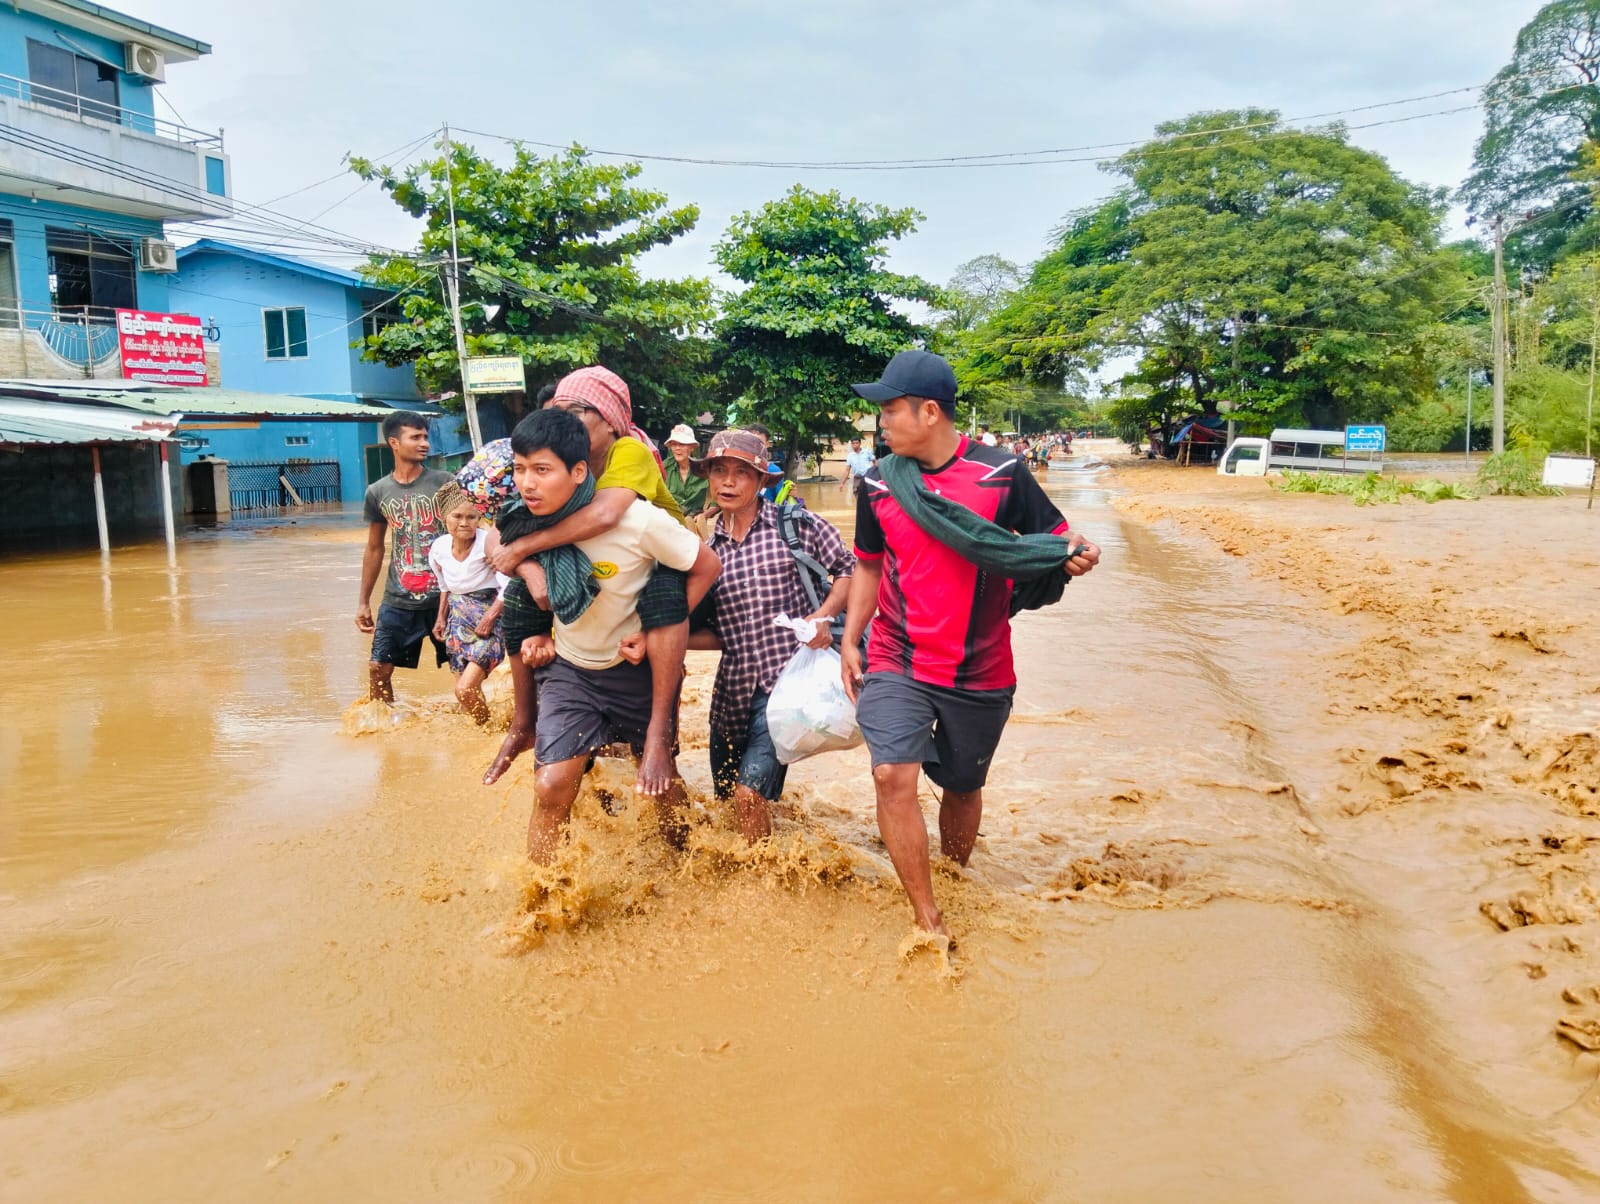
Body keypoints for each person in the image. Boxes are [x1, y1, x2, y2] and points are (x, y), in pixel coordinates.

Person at [840, 350, 1101, 937]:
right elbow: (868, 566)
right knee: (891, 776)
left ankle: (954, 880)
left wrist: (1077, 557)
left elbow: (1056, 541)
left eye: (889, 410)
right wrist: (851, 640)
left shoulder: (1001, 474)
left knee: (962, 788)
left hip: (978, 669)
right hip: (896, 656)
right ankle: (927, 917)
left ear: (929, 411)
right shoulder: (878, 481)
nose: (880, 423)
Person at [508, 408, 721, 863]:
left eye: (542, 470)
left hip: (636, 671)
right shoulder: (526, 519)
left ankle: (688, 864)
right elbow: (497, 548)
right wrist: (532, 587)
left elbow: (707, 565)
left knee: (661, 789)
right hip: (571, 670)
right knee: (551, 785)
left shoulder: (638, 521)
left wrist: (650, 632)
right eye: (520, 469)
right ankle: (543, 900)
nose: (528, 484)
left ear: (579, 470)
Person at [485, 366, 689, 792]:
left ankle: (656, 737)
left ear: (612, 421)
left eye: (579, 409)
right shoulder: (546, 464)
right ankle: (525, 720)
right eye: (561, 408)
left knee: (662, 596)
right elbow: (499, 532)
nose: (568, 418)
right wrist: (527, 566)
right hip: (595, 589)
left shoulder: (627, 451)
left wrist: (523, 548)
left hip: (664, 563)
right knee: (521, 593)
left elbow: (605, 515)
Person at [690, 429, 854, 841]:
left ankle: (763, 897)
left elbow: (851, 570)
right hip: (732, 692)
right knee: (727, 800)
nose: (728, 482)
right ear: (707, 478)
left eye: (741, 473)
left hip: (786, 690)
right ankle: (754, 865)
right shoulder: (708, 552)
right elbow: (719, 632)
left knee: (749, 795)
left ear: (762, 480)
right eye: (719, 471)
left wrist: (822, 616)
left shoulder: (795, 525)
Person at [356, 411, 454, 703]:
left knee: (465, 670)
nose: (424, 443)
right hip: (398, 598)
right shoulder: (378, 491)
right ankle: (383, 732)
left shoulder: (445, 482)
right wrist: (363, 601)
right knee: (377, 669)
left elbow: (468, 530)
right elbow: (375, 547)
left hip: (446, 596)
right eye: (416, 437)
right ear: (394, 443)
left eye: (426, 437)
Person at [428, 483, 507, 724]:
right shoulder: (439, 547)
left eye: (471, 517)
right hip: (458, 619)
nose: (464, 523)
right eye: (457, 516)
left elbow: (510, 584)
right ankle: (483, 732)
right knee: (467, 696)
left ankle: (492, 730)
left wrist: (490, 618)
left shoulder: (488, 543)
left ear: (479, 518)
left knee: (464, 690)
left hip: (490, 621)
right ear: (444, 518)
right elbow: (444, 585)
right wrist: (441, 617)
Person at [662, 423, 709, 514]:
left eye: (682, 444)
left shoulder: (703, 469)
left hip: (693, 521)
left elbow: (717, 496)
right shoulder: (664, 467)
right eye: (674, 444)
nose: (677, 448)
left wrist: (706, 515)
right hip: (669, 518)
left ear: (692, 447)